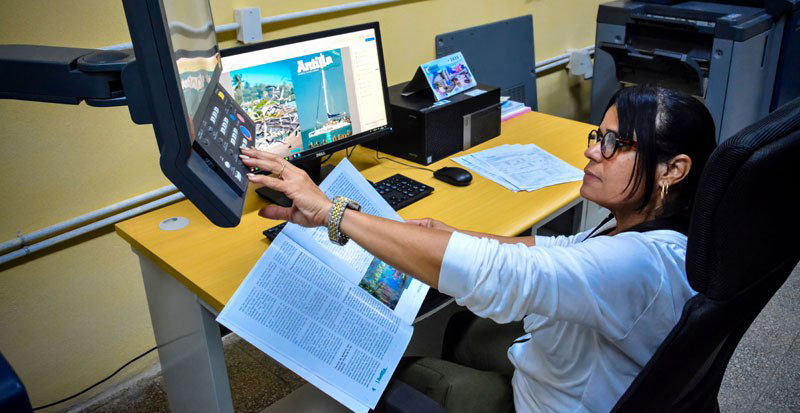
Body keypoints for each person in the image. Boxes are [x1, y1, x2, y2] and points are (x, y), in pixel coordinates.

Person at [239, 85, 717, 412]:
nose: (593, 150)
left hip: (558, 402)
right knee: (465, 322)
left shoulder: (637, 265)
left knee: (395, 375)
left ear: (673, 170)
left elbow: (503, 274)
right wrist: (452, 235)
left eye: (615, 143)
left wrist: (332, 213)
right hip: (573, 367)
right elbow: (554, 248)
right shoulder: (659, 234)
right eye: (598, 135)